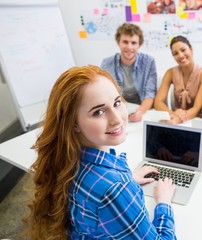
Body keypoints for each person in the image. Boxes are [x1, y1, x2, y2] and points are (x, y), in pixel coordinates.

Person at [24, 65, 177, 239]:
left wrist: (129, 180)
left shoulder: (70, 158)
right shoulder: (113, 190)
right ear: (73, 123)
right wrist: (163, 202)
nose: (117, 118)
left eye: (117, 103)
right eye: (98, 112)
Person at [101, 23, 157, 122]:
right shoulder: (106, 63)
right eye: (125, 42)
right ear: (119, 42)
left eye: (134, 43)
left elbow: (150, 93)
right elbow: (105, 93)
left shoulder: (149, 62)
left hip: (141, 107)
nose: (129, 47)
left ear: (139, 45)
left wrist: (140, 111)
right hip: (117, 106)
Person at [154, 35, 202, 124]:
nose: (180, 55)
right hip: (174, 118)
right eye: (175, 53)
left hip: (197, 121)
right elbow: (158, 102)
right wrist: (172, 115)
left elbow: (197, 107)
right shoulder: (170, 72)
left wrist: (177, 120)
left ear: (191, 49)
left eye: (183, 50)